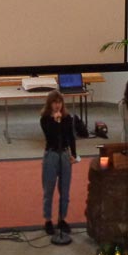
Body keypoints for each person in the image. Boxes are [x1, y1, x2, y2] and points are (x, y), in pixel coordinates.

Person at [40, 90, 77, 236]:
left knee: (65, 190)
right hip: (51, 154)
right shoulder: (45, 119)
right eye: (54, 103)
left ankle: (62, 219)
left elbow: (70, 137)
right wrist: (55, 121)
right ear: (50, 104)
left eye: (59, 102)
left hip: (65, 154)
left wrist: (74, 154)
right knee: (49, 190)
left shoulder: (67, 118)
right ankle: (48, 220)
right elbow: (51, 135)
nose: (57, 105)